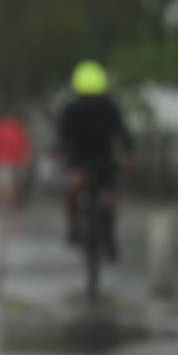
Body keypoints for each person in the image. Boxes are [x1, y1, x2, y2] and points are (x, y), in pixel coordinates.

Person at [56, 60, 133, 257]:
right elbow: (122, 132)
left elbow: (62, 136)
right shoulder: (103, 106)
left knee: (97, 195)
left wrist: (59, 153)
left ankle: (88, 230)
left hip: (94, 159)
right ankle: (87, 230)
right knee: (100, 195)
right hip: (90, 158)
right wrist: (129, 151)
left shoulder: (77, 107)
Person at [0, 113, 32, 207]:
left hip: (2, 159)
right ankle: (8, 202)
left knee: (3, 184)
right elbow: (25, 144)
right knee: (10, 183)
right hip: (13, 159)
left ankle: (5, 202)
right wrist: (26, 158)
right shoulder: (17, 127)